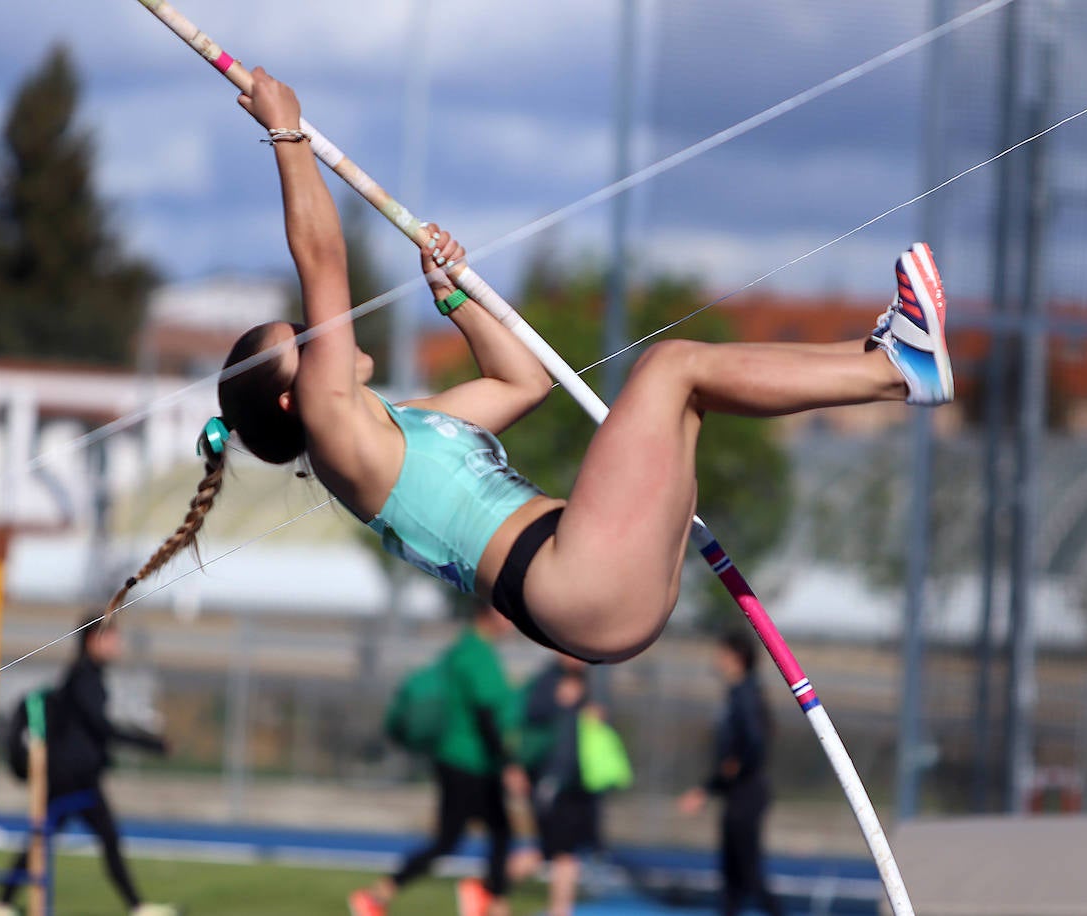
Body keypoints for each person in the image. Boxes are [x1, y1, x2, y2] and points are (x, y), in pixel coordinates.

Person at [109, 69, 953, 667]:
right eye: (304, 337)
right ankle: (891, 366)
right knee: (669, 372)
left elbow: (523, 382)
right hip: (574, 584)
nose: (320, 329)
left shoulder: (401, 427)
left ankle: (890, 362)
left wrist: (452, 297)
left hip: (592, 584)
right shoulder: (338, 441)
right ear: (295, 397)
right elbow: (323, 258)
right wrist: (287, 133)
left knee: (682, 394)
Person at [0, 615, 176, 916]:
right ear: (93, 641)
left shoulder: (90, 676)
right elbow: (102, 728)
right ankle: (2, 904)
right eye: (112, 638)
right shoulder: (83, 677)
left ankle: (3, 903)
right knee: (46, 839)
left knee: (89, 839)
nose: (118, 644)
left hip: (81, 778)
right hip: (69, 779)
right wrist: (153, 744)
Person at [349, 604, 527, 916]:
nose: (512, 624)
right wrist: (509, 763)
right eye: (508, 615)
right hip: (470, 761)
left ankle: (487, 898)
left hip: (459, 758)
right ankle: (380, 895)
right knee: (471, 837)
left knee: (480, 835)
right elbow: (486, 716)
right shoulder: (477, 655)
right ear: (490, 614)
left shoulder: (461, 650)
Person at [677, 631, 785, 916]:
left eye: (722, 654)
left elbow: (755, 742)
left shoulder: (746, 695)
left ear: (737, 659)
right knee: (731, 874)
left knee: (748, 872)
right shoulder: (735, 694)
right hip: (735, 792)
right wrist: (710, 787)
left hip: (747, 794)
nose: (717, 660)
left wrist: (733, 769)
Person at [508, 655, 607, 916]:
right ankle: (492, 886)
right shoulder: (546, 682)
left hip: (578, 783)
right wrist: (560, 704)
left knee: (562, 852)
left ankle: (559, 910)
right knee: (557, 851)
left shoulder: (582, 682)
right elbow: (527, 719)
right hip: (552, 782)